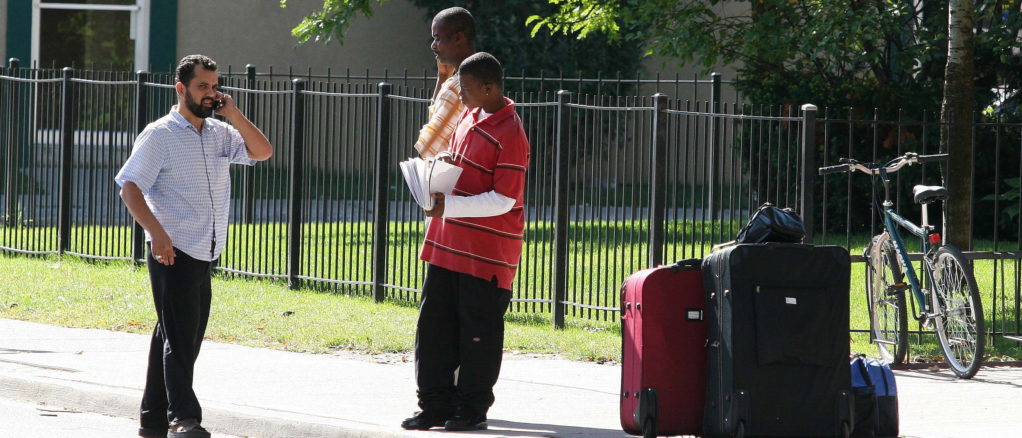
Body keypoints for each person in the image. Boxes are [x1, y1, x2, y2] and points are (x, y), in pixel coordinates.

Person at [115, 54, 273, 438]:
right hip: (175, 250)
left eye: (214, 86)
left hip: (207, 248)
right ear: (181, 88)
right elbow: (130, 187)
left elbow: (262, 151)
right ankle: (184, 418)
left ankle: (152, 418)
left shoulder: (221, 133)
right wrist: (158, 235)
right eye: (202, 86)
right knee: (181, 337)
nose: (210, 94)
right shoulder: (160, 135)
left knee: (173, 334)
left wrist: (232, 113)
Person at [402, 52, 530, 432]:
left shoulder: (512, 134)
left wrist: (450, 205)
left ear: (489, 88)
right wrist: (433, 182)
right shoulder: (469, 116)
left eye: (468, 89)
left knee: (477, 334)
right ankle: (434, 406)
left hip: (485, 254)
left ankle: (471, 409)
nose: (462, 96)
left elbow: (505, 200)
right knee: (434, 328)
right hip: (446, 244)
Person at [413, 7, 477, 159]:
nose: (433, 45)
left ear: (458, 38)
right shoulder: (477, 77)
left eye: (438, 38)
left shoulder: (457, 87)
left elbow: (427, 148)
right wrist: (442, 78)